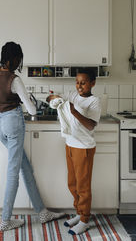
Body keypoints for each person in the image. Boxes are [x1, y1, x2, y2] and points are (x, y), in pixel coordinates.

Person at [0, 41, 65, 231]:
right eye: (19, 59)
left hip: (0, 125)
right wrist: (19, 98)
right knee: (13, 173)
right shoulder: (14, 79)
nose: (20, 62)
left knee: (25, 167)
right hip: (13, 124)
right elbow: (32, 109)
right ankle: (5, 220)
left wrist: (1, 101)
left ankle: (42, 212)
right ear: (13, 59)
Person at [46, 68, 101, 235]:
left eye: (83, 83)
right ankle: (79, 212)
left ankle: (84, 219)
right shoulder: (72, 95)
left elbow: (91, 125)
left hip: (84, 147)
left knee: (83, 187)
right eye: (77, 82)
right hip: (70, 143)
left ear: (92, 83)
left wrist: (74, 112)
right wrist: (53, 98)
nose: (79, 86)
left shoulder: (94, 101)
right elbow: (52, 99)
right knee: (72, 183)